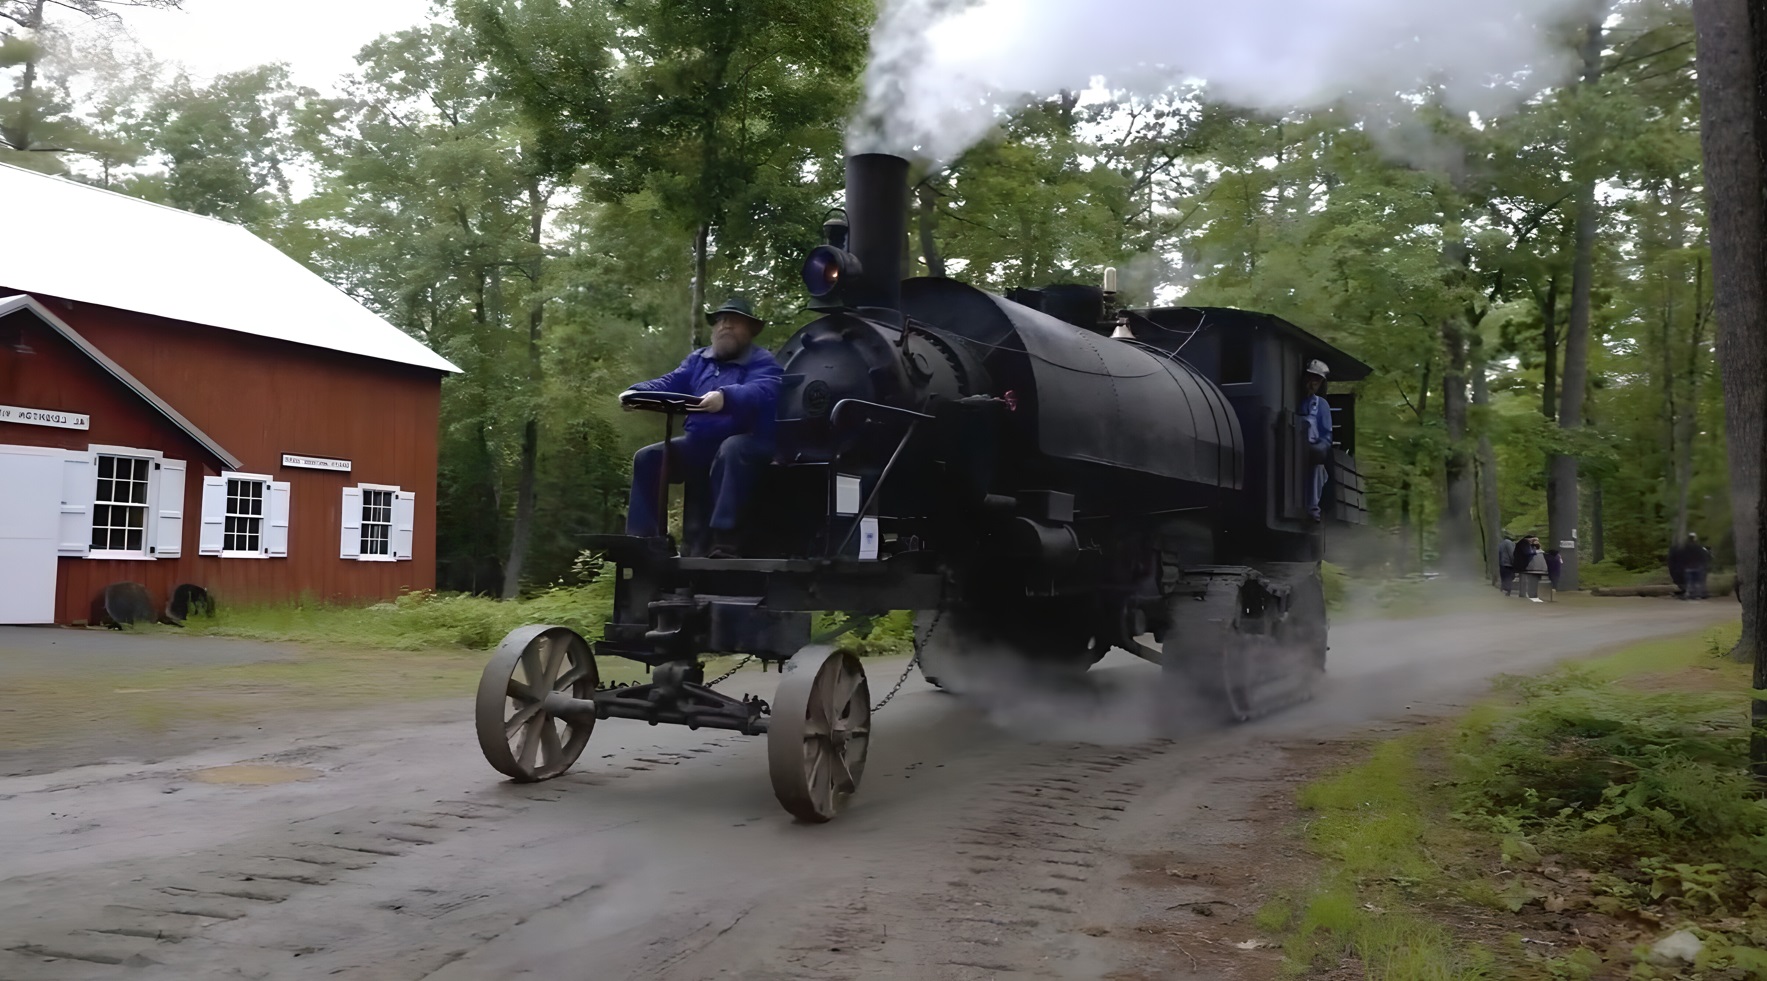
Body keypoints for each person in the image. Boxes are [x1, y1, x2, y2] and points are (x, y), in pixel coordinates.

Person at [621, 297, 782, 558]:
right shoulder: (699, 360)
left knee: (732, 448)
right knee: (648, 457)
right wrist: (635, 392)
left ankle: (725, 541)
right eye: (721, 320)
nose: (725, 325)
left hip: (749, 442)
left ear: (750, 330)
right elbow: (670, 382)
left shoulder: (763, 361)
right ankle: (646, 539)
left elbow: (765, 389)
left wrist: (726, 396)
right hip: (700, 444)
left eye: (735, 321)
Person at [1298, 360, 1333, 521]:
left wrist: (1320, 448)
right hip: (1295, 449)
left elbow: (1327, 435)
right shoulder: (1296, 401)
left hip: (1313, 451)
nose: (1312, 383)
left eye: (1317, 380)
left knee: (1316, 472)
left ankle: (1313, 509)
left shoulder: (1321, 405)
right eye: (1310, 378)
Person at [1682, 533, 1711, 600]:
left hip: (1688, 567)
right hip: (1697, 567)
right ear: (1695, 538)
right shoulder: (1698, 547)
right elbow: (1704, 556)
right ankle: (1698, 594)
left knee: (1690, 582)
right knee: (1697, 582)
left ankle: (1690, 594)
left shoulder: (1685, 547)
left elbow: (1682, 557)